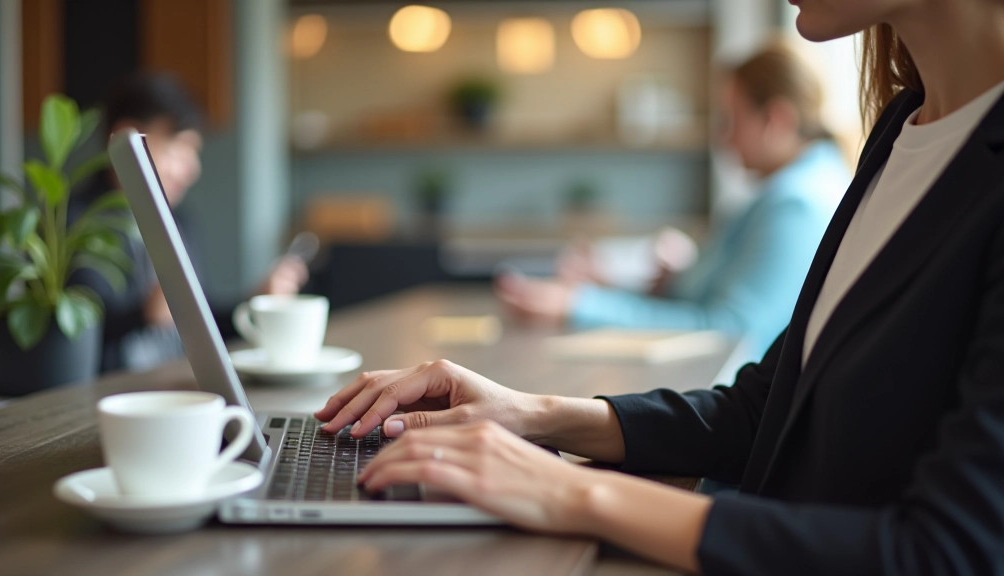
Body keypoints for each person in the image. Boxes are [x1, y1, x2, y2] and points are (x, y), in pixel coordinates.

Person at [315, 0, 1004, 572]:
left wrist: (569, 491)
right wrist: (530, 413)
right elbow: (765, 413)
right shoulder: (902, 129)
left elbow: (944, 553)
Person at [496, 40, 851, 360]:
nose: (722, 138)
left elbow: (729, 330)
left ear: (775, 120)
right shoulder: (793, 191)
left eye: (731, 120)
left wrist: (579, 304)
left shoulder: (797, 207)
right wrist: (674, 280)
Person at [70, 74, 307, 372]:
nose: (191, 169)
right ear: (126, 137)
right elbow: (75, 331)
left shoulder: (180, 221)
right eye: (178, 148)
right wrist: (144, 314)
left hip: (181, 382)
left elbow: (201, 324)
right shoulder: (77, 221)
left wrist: (254, 304)